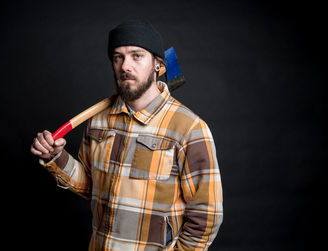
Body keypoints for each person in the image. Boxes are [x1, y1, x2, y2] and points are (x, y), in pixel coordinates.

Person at [31, 20, 223, 251]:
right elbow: (91, 187)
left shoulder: (189, 128)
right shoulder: (97, 121)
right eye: (118, 57)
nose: (125, 66)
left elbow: (207, 215)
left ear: (157, 64)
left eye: (136, 56)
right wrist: (57, 158)